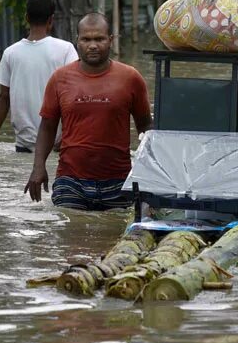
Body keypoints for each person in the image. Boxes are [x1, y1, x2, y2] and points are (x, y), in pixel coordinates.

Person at [24, 13, 153, 211]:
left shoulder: (130, 78)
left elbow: (145, 127)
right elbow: (48, 127)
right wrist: (38, 167)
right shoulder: (60, 78)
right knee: (70, 235)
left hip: (119, 181)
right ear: (77, 41)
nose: (92, 45)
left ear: (110, 40)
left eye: (99, 39)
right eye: (86, 39)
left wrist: (151, 172)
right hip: (70, 181)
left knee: (113, 237)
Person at [0, 0, 79, 154]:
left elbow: (3, 98)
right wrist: (70, 133)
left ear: (26, 18)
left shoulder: (10, 53)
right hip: (57, 144)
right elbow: (76, 95)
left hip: (23, 145)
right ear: (51, 20)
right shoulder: (66, 49)